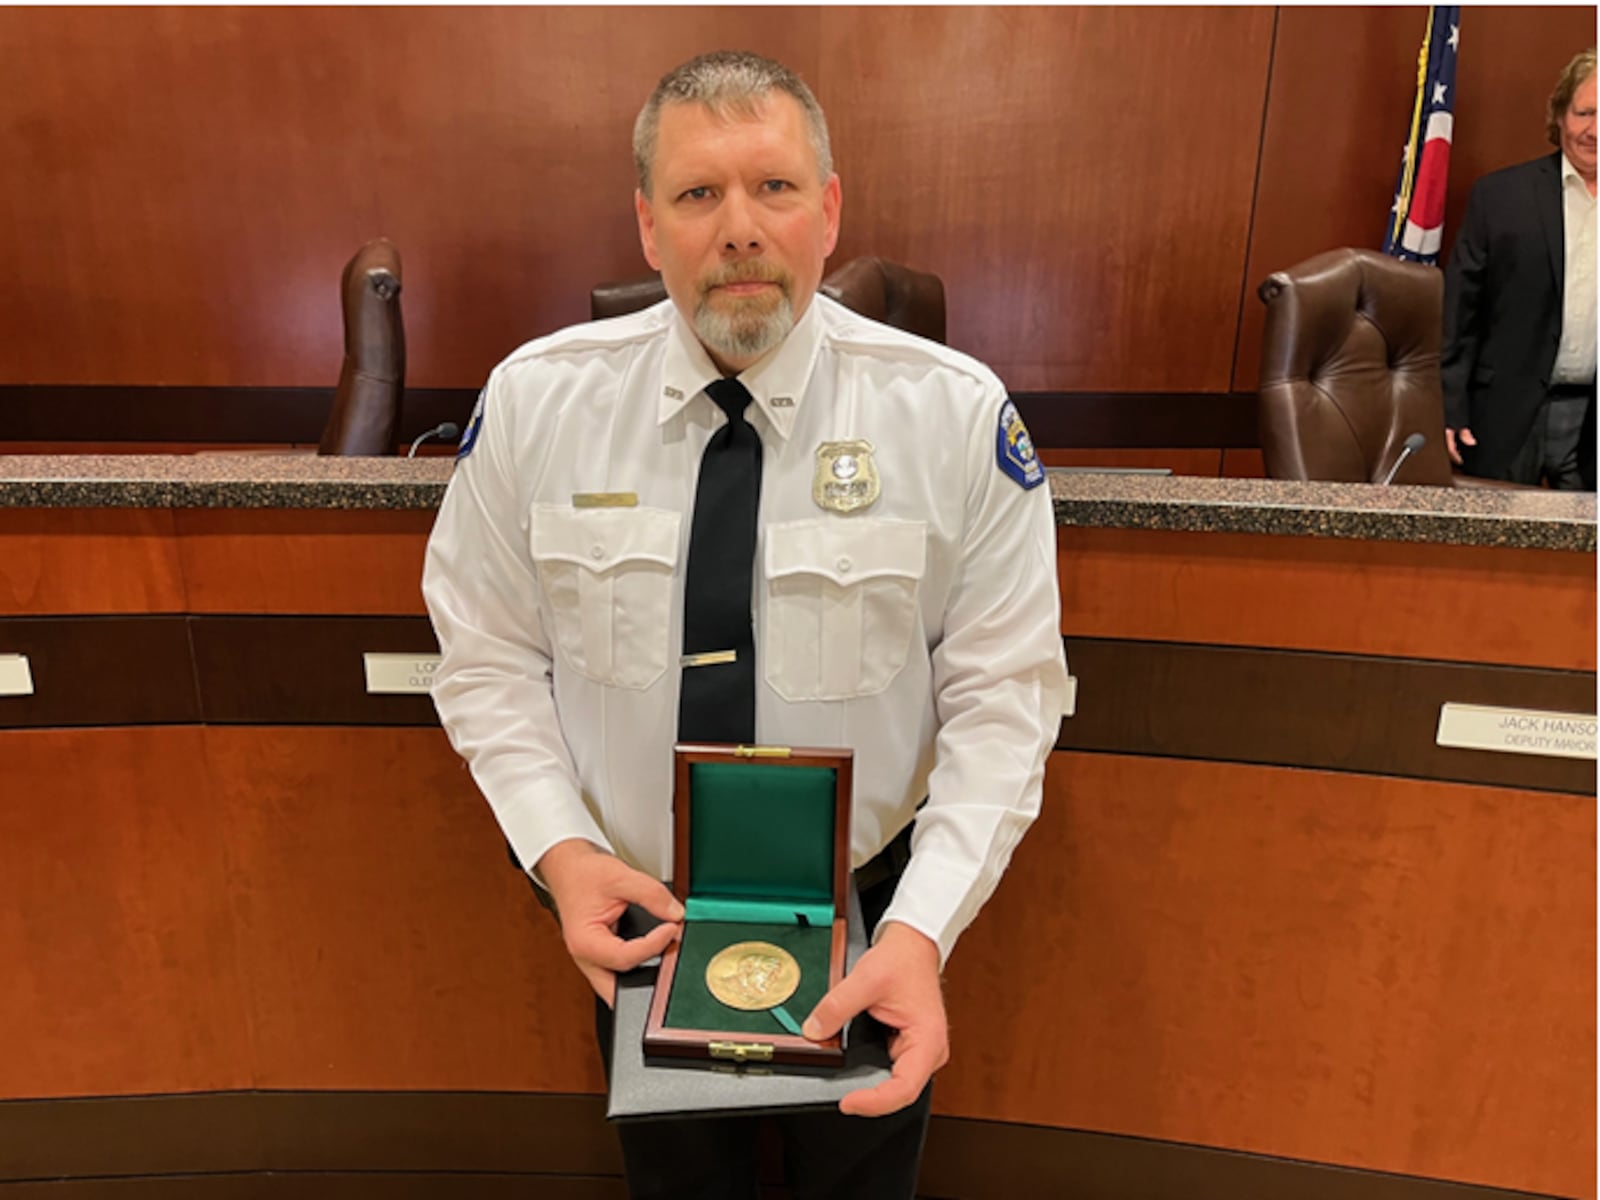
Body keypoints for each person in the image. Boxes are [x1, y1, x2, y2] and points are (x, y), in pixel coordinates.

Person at [421, 50, 1068, 1199]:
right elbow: (485, 658)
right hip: (637, 912)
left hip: (871, 916)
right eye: (695, 193)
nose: (738, 228)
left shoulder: (953, 417)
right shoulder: (535, 402)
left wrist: (921, 930)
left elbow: (1005, 699)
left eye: (772, 188)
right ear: (644, 226)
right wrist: (560, 854)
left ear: (827, 210)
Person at [1442, 49, 1597, 489]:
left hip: (1592, 423)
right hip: (1502, 415)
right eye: (1584, 112)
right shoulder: (1500, 197)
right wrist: (1449, 407)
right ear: (1561, 115)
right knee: (1488, 555)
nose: (1594, 131)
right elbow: (1459, 313)